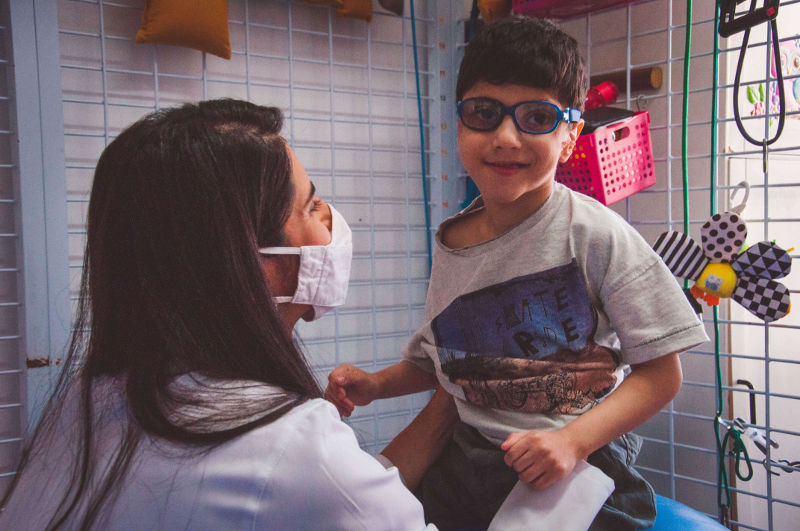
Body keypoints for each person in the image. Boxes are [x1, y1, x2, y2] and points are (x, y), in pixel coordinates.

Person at [325, 16, 709, 530]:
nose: (505, 137)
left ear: (572, 136)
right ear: (458, 123)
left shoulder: (595, 234)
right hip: (469, 456)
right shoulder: (452, 244)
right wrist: (376, 384)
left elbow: (662, 374)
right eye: (484, 113)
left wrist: (570, 444)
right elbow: (450, 366)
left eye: (536, 118)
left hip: (575, 453)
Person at [0, 99, 456, 530]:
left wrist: (452, 396)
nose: (331, 223)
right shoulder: (294, 446)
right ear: (251, 262)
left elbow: (345, 497)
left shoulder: (87, 400)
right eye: (311, 206)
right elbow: (330, 490)